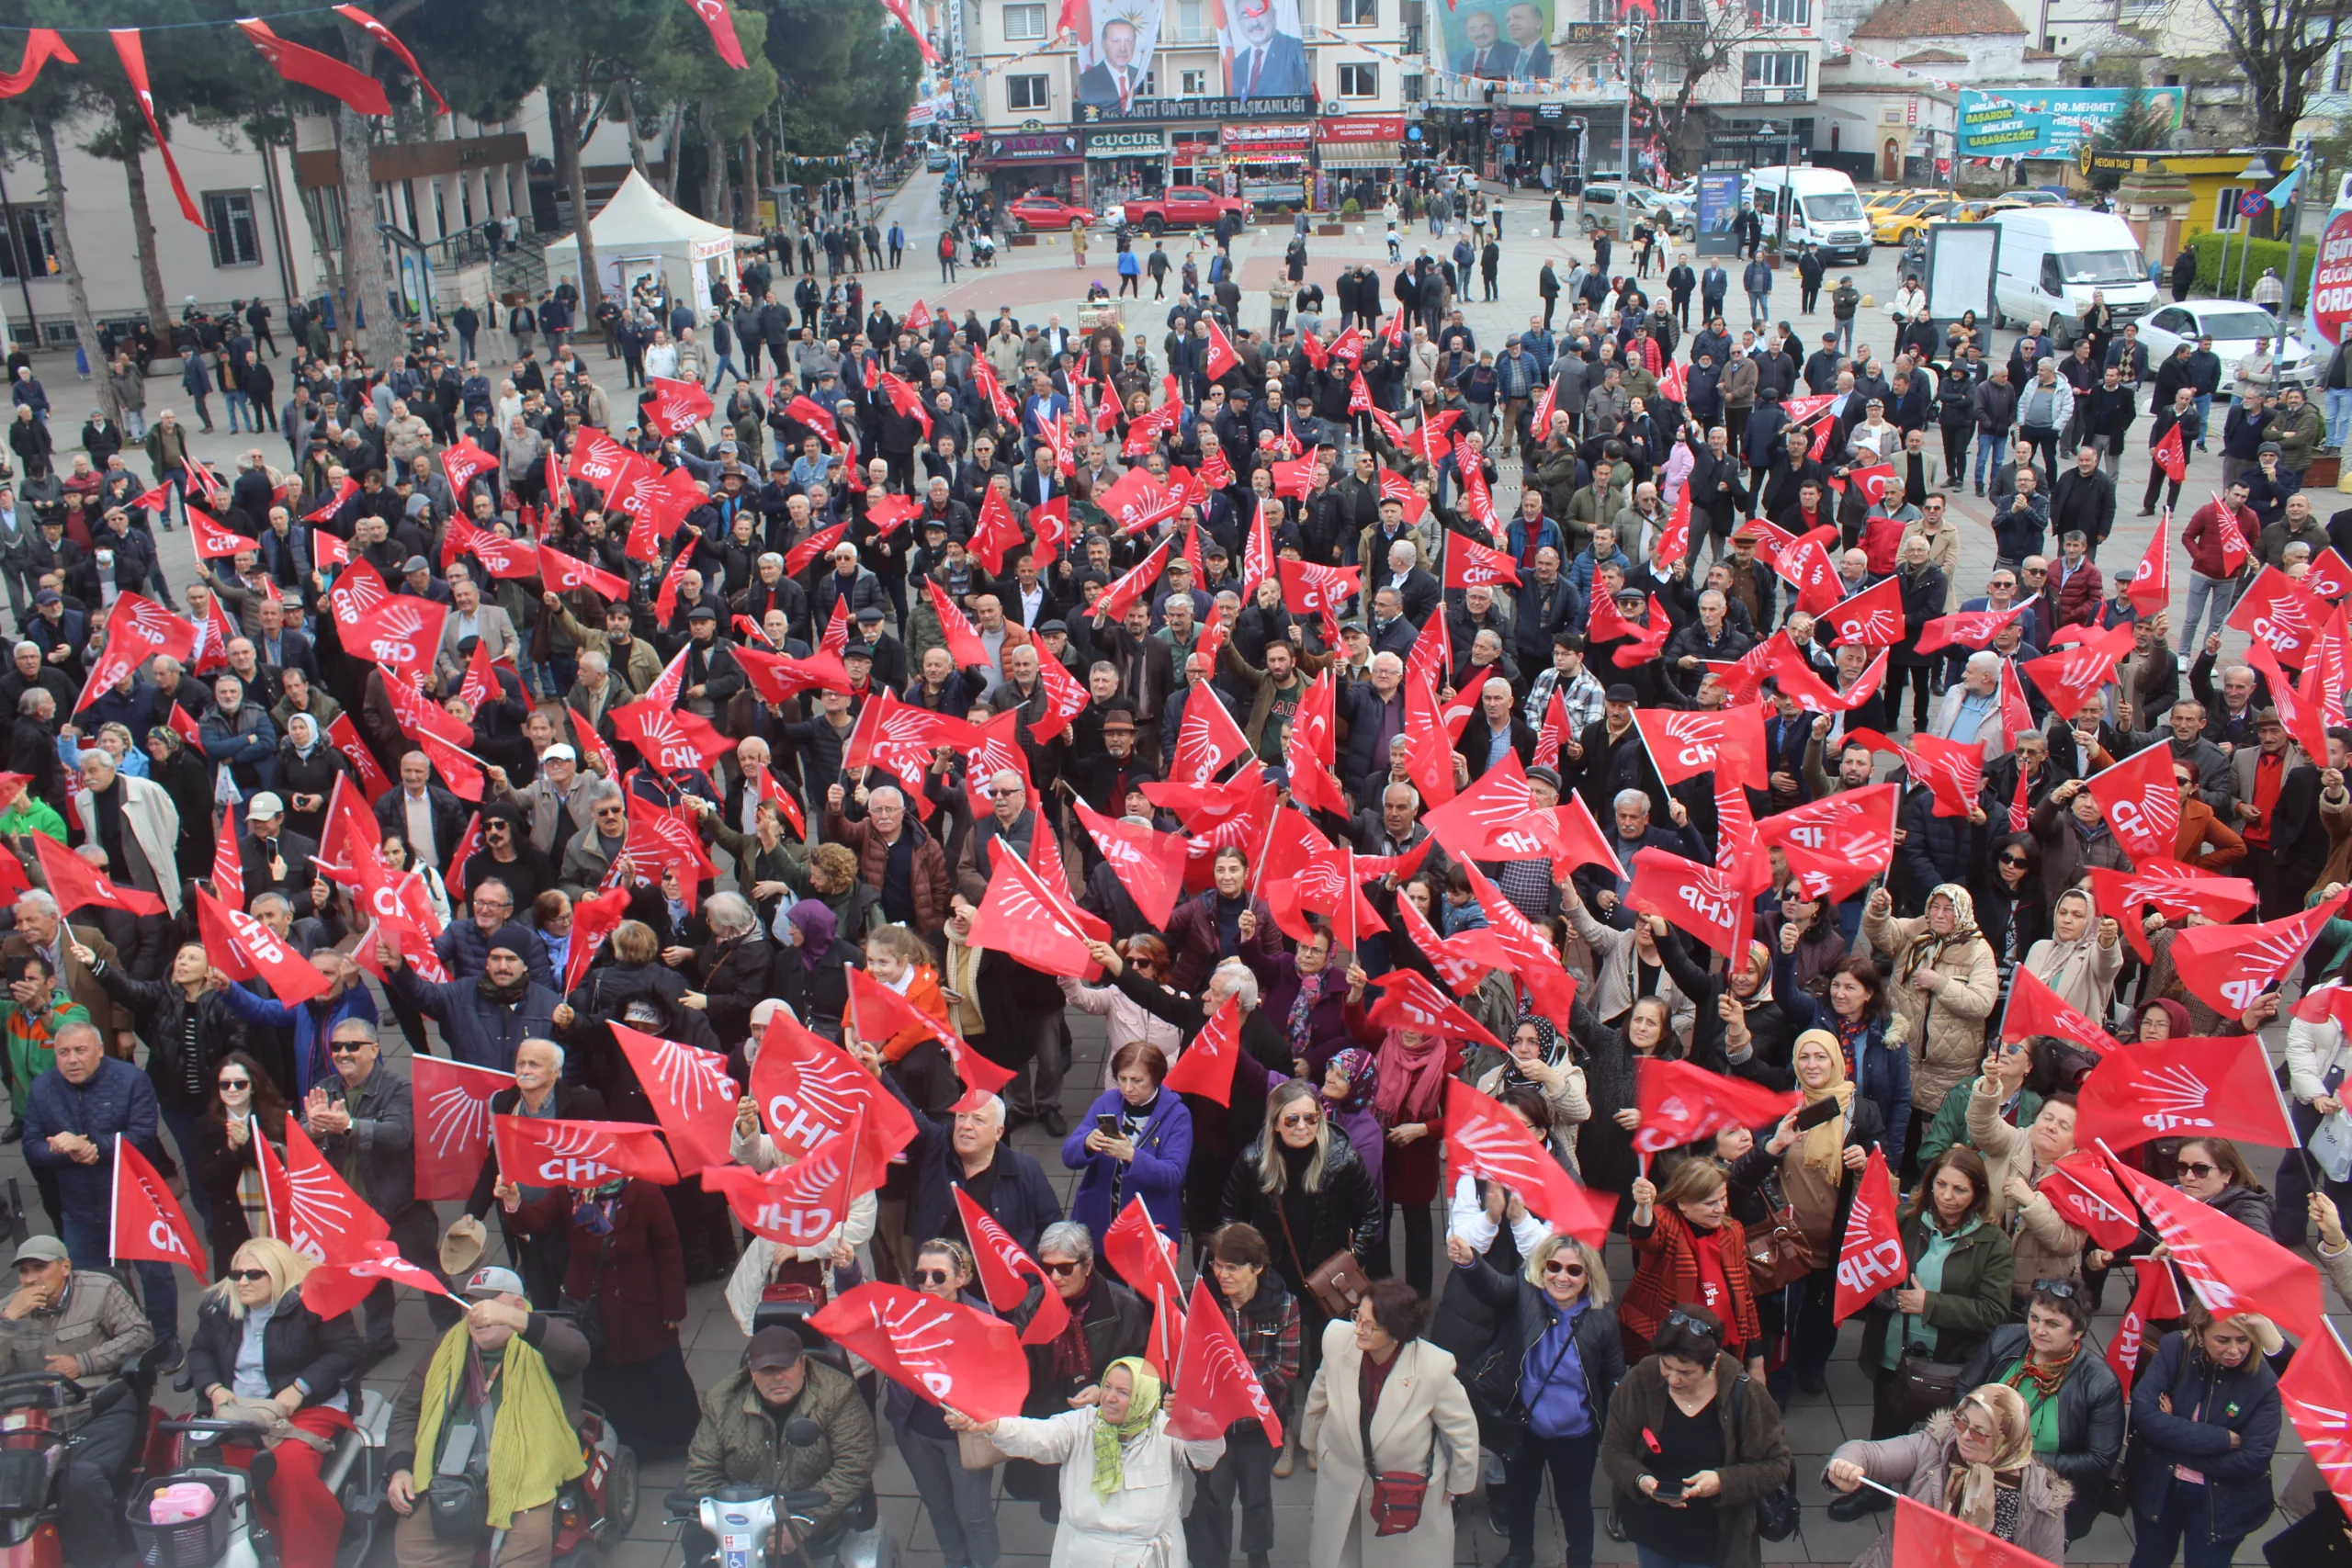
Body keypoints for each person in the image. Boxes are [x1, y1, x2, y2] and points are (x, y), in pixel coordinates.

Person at [1842, 1145, 2016, 1522]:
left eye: (1959, 1190)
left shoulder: (1992, 1242)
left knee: (1951, 1440)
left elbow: (1993, 1311)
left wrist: (1930, 1305)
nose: (1947, 1197)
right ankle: (1874, 1493)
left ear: (1978, 1195)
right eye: (1941, 1185)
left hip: (1952, 1361)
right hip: (1895, 1350)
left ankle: (1940, 1508)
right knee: (1885, 1430)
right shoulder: (1905, 1219)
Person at [1219, 1077, 1383, 1476]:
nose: (1302, 1127)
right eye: (1291, 1120)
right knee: (1279, 1362)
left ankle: (1319, 1431)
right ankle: (1287, 1432)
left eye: (1311, 1118)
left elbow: (1372, 1216)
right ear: (1275, 1123)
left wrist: (1348, 1261)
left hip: (1324, 1283)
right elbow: (1229, 1216)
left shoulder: (1342, 1160)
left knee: (1325, 1359)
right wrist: (1246, 1267)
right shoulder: (1253, 1160)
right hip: (1273, 1281)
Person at [382, 1265, 594, 1568]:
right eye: (470, 1304)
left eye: (488, 1304)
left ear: (517, 1306)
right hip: (448, 1475)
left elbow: (576, 1353)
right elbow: (406, 1412)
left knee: (525, 1548)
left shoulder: (543, 1339)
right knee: (414, 1546)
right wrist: (400, 1467)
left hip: (525, 1478)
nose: (477, 1313)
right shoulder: (445, 1345)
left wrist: (514, 1321)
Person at [1443, 1230, 1622, 1568]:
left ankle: (1580, 1560)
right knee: (1520, 1499)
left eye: (1574, 1270)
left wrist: (1615, 1425)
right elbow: (1493, 1287)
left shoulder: (1601, 1317)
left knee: (1575, 1505)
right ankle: (1519, 1554)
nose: (1562, 1277)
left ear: (1589, 1276)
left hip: (1576, 1436)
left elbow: (1613, 1373)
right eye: (1554, 1267)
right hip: (1524, 1428)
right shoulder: (1526, 1294)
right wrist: (1470, 1262)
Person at [186, 1236, 365, 1568]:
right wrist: (213, 1389)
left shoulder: (316, 1302)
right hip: (235, 1407)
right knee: (203, 1469)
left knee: (287, 1467)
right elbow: (199, 1352)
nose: (242, 1281)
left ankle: (304, 1559)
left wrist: (300, 1388)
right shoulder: (218, 1306)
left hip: (305, 1408)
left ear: (278, 1273)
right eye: (235, 1273)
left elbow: (347, 1351)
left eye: (254, 1274)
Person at [948, 1354, 1226, 1566]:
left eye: (1123, 1392)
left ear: (1145, 1397)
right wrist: (991, 1423)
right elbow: (1035, 1435)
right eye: (1107, 1387)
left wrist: (1195, 1421)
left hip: (1147, 1558)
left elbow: (1206, 1456)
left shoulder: (1168, 1428)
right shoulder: (1081, 1424)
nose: (1110, 1398)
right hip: (1083, 1555)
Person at [1300, 1279, 1481, 1568]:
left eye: (1369, 1325)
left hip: (1403, 1494)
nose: (1358, 1328)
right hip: (1342, 1479)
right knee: (1339, 1554)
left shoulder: (1433, 1367)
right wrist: (1310, 1441)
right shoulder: (1337, 1338)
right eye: (1357, 1316)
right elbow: (1320, 1391)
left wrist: (1459, 1483)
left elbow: (1463, 1431)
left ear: (1397, 1332)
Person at [22, 1021, 178, 1356]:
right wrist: (58, 1148)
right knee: (91, 1281)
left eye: (80, 1051)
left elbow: (142, 1137)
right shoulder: (42, 1088)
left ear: (100, 1051)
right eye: (63, 1053)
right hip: (79, 1207)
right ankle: (122, 1341)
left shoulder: (131, 1080)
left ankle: (166, 1337)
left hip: (134, 1202)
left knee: (155, 1274)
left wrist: (94, 1147)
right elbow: (31, 1146)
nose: (72, 1060)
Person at [1597, 1303, 1792, 1568]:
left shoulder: (1745, 1395)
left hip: (1715, 1538)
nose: (1673, 1380)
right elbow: (1613, 1449)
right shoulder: (1641, 1379)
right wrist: (1640, 1479)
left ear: (1713, 1364)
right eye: (1667, 1366)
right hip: (1651, 1528)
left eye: (1686, 1372)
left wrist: (1722, 1482)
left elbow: (1778, 1465)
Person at [0, 1234, 154, 1565]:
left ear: (65, 1266)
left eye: (39, 1268)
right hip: (37, 1419)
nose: (31, 1279)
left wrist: (84, 1362)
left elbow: (140, 1335)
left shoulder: (101, 1289)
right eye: (24, 1271)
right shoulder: (9, 1308)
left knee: (79, 1477)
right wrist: (7, 1322)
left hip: (99, 1407)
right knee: (15, 1482)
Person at [681, 1325, 878, 1566]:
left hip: (810, 1511)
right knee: (695, 1541)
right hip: (741, 1514)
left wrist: (801, 1522)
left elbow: (854, 1466)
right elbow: (702, 1468)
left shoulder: (839, 1395)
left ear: (803, 1364)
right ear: (751, 1372)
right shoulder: (720, 1401)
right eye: (766, 1371)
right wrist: (733, 1520)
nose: (777, 1378)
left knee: (786, 1558)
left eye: (785, 1368)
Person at [1823, 1382, 2071, 1567]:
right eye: (1961, 1422)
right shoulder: (1933, 1447)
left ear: (2008, 1440)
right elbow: (1869, 1453)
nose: (1964, 1436)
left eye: (1980, 1432)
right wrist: (1847, 1464)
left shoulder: (2040, 1499)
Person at [1955, 1281, 2123, 1542]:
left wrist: (2022, 1459)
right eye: (2034, 1318)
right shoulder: (2004, 1339)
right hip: (1976, 1478)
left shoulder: (2100, 1383)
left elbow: (2099, 1460)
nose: (2038, 1330)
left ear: (2078, 1332)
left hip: (2042, 1497)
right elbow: (1964, 1389)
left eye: (2052, 1324)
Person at [1187, 1224, 1300, 1568]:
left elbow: (1285, 1371)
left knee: (1256, 1499)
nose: (1222, 1274)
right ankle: (1213, 1559)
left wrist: (1232, 1389)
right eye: (1217, 1266)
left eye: (1232, 1267)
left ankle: (1257, 1554)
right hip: (1214, 1427)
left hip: (1259, 1429)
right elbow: (1190, 1360)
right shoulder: (1202, 1301)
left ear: (1257, 1267)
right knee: (1213, 1500)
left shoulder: (1285, 1306)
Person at [889, 1237, 1001, 1568]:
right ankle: (956, 1561)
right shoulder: (904, 1311)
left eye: (938, 1276)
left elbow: (1001, 1383)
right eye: (920, 1275)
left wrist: (976, 1414)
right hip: (915, 1433)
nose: (927, 1284)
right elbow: (863, 1307)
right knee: (938, 1507)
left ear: (960, 1277)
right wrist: (846, 1269)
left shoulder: (983, 1320)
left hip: (964, 1436)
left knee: (974, 1514)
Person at [1623, 1161, 1762, 1371]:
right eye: (1709, 1203)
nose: (1720, 1208)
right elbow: (1644, 1235)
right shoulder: (1666, 1222)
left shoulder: (1733, 1231)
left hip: (1722, 1344)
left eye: (1722, 1198)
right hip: (1670, 1345)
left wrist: (1756, 1357)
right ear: (1682, 1203)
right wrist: (1643, 1206)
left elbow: (1745, 1296)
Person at [1061, 1041, 1191, 1255]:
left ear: (1156, 1079)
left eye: (1137, 1080)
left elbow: (1173, 1174)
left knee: (1150, 1289)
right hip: (1102, 1224)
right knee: (1107, 1287)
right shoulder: (1107, 1102)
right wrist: (1086, 1143)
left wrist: (1132, 1156)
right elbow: (1068, 1155)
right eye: (1122, 1079)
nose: (1128, 1088)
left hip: (1150, 1228)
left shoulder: (1177, 1115)